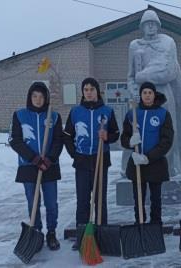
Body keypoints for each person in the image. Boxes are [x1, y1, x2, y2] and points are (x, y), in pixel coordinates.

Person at [123, 9, 181, 177]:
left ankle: (170, 166)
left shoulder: (167, 42)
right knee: (138, 131)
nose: (151, 27)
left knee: (167, 131)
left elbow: (169, 71)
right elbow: (131, 75)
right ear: (142, 26)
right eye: (147, 24)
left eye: (153, 23)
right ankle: (137, 166)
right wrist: (135, 92)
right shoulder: (134, 46)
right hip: (140, 97)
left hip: (163, 94)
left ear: (158, 26)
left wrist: (144, 76)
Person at [63, 77, 120, 250]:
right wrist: (75, 154)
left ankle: (101, 235)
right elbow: (67, 136)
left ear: (97, 91)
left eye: (91, 89)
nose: (88, 92)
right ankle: (83, 237)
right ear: (83, 92)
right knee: (82, 200)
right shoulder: (75, 112)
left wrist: (107, 137)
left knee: (100, 200)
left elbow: (116, 133)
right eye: (85, 89)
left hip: (100, 158)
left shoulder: (107, 111)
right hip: (82, 160)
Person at [9, 81, 63, 250]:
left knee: (51, 202)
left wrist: (49, 158)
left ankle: (51, 232)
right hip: (28, 166)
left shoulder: (53, 116)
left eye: (41, 96)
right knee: (33, 202)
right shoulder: (19, 115)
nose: (38, 100)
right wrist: (33, 158)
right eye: (34, 96)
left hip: (49, 166)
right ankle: (37, 232)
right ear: (29, 97)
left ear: (46, 98)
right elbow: (15, 140)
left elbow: (58, 140)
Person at [121, 82, 174, 224]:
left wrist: (148, 157)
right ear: (141, 95)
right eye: (144, 93)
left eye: (150, 92)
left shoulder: (163, 114)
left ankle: (156, 224)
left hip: (155, 164)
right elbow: (124, 137)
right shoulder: (132, 114)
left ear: (154, 94)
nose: (147, 95)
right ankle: (140, 222)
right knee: (138, 197)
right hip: (137, 164)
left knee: (155, 198)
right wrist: (130, 142)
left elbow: (166, 141)